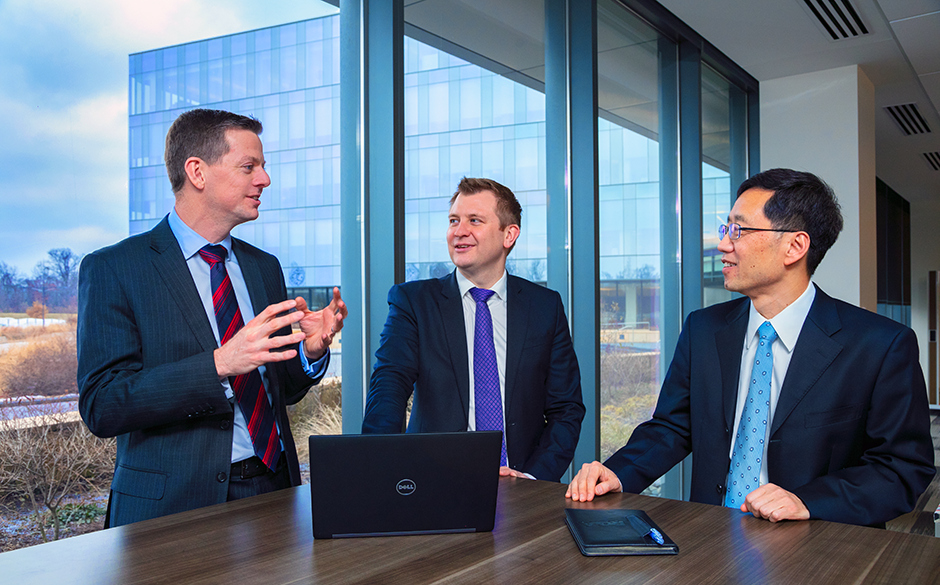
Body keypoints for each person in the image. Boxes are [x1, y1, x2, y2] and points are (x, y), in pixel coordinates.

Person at [567, 168, 935, 526]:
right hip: (708, 543)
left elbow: (902, 469)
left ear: (795, 246)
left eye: (738, 230)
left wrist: (807, 500)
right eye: (726, 228)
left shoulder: (879, 345)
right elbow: (673, 427)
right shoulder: (704, 328)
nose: (723, 244)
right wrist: (618, 472)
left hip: (820, 554)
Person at [78, 109, 347, 527]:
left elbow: (277, 389)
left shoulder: (263, 267)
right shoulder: (115, 269)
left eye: (263, 166)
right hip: (173, 511)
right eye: (249, 167)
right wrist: (219, 364)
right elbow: (103, 405)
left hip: (274, 491)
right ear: (197, 173)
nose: (265, 180)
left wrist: (311, 351)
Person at [362, 177, 584, 482]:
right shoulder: (413, 302)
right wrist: (379, 468)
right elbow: (388, 386)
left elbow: (566, 409)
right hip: (434, 482)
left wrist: (533, 478)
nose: (459, 231)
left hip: (524, 485)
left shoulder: (545, 307)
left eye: (474, 220)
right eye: (454, 220)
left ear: (509, 234)